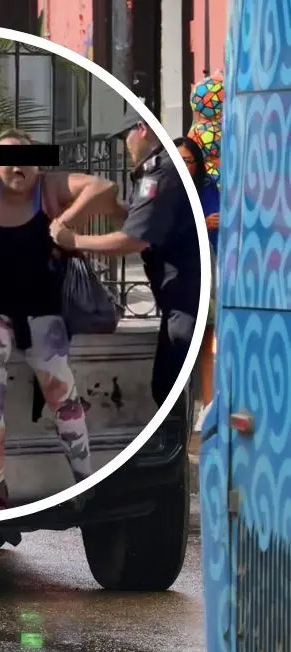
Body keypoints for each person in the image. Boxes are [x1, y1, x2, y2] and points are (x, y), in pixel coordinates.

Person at [0, 131, 125, 509]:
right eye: (7, 158)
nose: (17, 166)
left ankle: (84, 482)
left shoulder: (50, 190)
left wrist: (65, 223)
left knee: (63, 395)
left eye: (26, 158)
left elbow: (106, 186)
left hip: (43, 313)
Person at [50, 108, 204, 409]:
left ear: (143, 128)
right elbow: (145, 221)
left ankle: (175, 453)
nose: (124, 145)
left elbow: (134, 240)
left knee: (168, 387)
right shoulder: (153, 172)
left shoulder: (161, 173)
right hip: (176, 296)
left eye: (125, 137)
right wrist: (113, 208)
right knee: (168, 386)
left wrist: (74, 240)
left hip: (185, 295)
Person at [175, 135, 220, 422]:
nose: (184, 166)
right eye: (178, 160)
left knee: (206, 338)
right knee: (182, 341)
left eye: (188, 161)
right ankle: (181, 413)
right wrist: (199, 225)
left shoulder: (207, 186)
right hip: (179, 271)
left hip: (208, 264)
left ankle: (208, 408)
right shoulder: (168, 191)